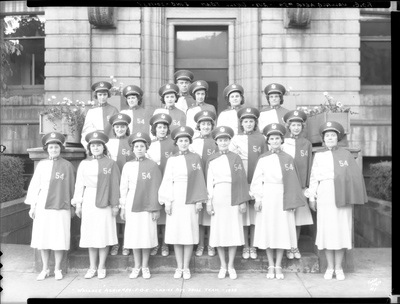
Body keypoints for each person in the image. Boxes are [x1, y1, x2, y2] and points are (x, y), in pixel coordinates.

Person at [304, 121, 367, 281]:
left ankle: (338, 268)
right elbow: (313, 178)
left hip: (343, 195)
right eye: (327, 135)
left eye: (333, 135)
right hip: (325, 193)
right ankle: (329, 267)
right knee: (327, 230)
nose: (330, 138)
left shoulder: (345, 155)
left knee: (340, 230)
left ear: (337, 138)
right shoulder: (318, 155)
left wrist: (351, 194)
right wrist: (312, 196)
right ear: (323, 139)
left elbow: (354, 177)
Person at [251, 123, 306, 280]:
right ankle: (270, 265)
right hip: (268, 195)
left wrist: (293, 201)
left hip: (283, 195)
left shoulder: (288, 158)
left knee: (281, 229)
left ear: (282, 140)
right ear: (268, 141)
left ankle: (279, 265)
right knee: (269, 229)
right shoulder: (263, 158)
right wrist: (258, 198)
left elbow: (293, 181)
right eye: (272, 139)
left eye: (277, 138)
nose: (275, 141)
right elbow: (257, 180)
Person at [158, 126, 208, 280]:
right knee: (176, 233)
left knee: (188, 232)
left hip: (191, 196)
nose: (184, 143)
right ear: (176, 143)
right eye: (181, 141)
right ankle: (178, 266)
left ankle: (186, 267)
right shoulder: (172, 159)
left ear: (189, 142)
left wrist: (199, 199)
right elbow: (167, 180)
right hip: (176, 196)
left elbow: (200, 178)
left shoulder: (195, 158)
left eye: (186, 140)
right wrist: (167, 201)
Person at [25, 132, 75, 281]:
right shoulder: (42, 164)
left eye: (56, 147)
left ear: (61, 148)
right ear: (47, 149)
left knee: (59, 236)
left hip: (61, 203)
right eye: (51, 147)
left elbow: (72, 187)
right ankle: (45, 268)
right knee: (43, 236)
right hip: (43, 203)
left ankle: (58, 268)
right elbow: (35, 186)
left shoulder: (67, 165)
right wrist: (32, 206)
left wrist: (72, 206)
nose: (54, 150)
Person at [72, 131, 120, 280]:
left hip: (105, 200)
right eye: (93, 145)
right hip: (89, 199)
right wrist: (78, 204)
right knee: (90, 233)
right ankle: (92, 266)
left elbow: (115, 185)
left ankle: (102, 266)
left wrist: (115, 205)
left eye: (99, 145)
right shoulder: (84, 164)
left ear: (104, 147)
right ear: (89, 148)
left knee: (103, 232)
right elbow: (79, 185)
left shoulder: (111, 163)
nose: (96, 147)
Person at [205, 126, 251, 280]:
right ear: (216, 142)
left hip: (234, 195)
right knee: (218, 230)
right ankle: (222, 265)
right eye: (220, 140)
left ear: (230, 141)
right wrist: (209, 201)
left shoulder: (236, 158)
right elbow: (209, 182)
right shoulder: (211, 159)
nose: (223, 142)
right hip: (218, 195)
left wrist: (242, 200)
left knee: (233, 230)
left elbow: (240, 180)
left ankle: (231, 265)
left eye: (226, 139)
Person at [119, 132, 162, 279]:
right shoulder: (128, 166)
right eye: (136, 146)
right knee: (135, 235)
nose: (139, 149)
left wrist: (156, 208)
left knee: (146, 235)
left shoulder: (152, 165)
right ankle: (136, 266)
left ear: (146, 148)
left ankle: (145, 266)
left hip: (148, 203)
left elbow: (157, 187)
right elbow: (123, 187)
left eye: (142, 146)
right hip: (132, 202)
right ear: (132, 148)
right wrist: (123, 206)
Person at [229, 107, 267, 260]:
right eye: (246, 121)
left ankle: (254, 245)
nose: (249, 124)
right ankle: (245, 245)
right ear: (241, 123)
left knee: (255, 213)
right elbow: (233, 157)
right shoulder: (236, 138)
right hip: (242, 174)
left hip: (257, 175)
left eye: (251, 121)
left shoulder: (262, 138)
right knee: (245, 214)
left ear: (255, 123)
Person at [281, 110, 314, 260]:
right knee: (285, 217)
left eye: (298, 125)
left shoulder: (306, 144)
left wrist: (306, 185)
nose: (296, 128)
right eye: (293, 125)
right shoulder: (283, 142)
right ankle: (286, 245)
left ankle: (295, 246)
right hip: (285, 185)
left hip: (300, 185)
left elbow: (308, 164)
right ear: (288, 126)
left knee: (298, 218)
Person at [147, 113, 178, 257]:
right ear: (154, 129)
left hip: (169, 180)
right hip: (153, 181)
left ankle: (165, 244)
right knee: (154, 211)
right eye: (159, 127)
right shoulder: (150, 145)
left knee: (166, 212)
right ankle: (155, 243)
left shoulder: (173, 144)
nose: (162, 130)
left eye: (165, 127)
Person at [189, 110, 218, 258]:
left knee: (211, 213)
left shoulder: (217, 141)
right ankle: (200, 243)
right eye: (203, 124)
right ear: (198, 126)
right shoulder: (193, 142)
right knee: (200, 217)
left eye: (208, 124)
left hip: (212, 179)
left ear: (212, 126)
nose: (205, 127)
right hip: (198, 179)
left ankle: (211, 244)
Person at [106, 113, 135, 256]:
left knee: (125, 212)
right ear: (113, 128)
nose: (120, 129)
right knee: (114, 211)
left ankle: (126, 243)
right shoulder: (108, 143)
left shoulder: (131, 142)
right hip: (112, 181)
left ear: (126, 127)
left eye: (123, 126)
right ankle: (115, 243)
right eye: (117, 126)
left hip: (127, 182)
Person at [81, 81, 119, 148]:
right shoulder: (91, 111)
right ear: (96, 95)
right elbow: (86, 131)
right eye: (100, 95)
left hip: (111, 144)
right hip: (96, 145)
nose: (102, 97)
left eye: (104, 94)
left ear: (108, 95)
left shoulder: (114, 110)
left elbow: (118, 129)